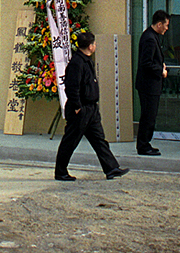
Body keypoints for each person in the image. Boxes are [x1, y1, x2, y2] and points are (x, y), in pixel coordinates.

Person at [54, 31, 130, 181]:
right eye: (94, 44)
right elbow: (71, 87)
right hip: (81, 109)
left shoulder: (86, 60)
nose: (95, 46)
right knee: (70, 141)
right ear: (90, 46)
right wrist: (77, 107)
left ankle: (111, 168)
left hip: (91, 109)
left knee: (99, 139)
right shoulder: (77, 63)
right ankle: (60, 171)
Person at [135, 10, 169, 156]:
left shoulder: (152, 36)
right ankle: (143, 145)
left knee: (150, 115)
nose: (167, 29)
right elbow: (146, 63)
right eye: (166, 25)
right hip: (148, 85)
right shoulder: (149, 38)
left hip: (151, 84)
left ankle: (146, 142)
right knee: (148, 116)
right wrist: (160, 71)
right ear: (159, 24)